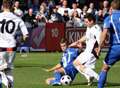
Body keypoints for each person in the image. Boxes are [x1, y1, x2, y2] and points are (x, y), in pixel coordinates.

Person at [0, 0, 28, 88]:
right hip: (12, 48)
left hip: (1, 47)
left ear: (3, 7)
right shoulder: (17, 18)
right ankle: (10, 86)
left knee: (1, 69)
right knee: (9, 70)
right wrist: (22, 40)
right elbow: (26, 35)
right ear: (11, 7)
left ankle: (4, 80)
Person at [69, 13, 101, 85]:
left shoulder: (97, 29)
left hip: (92, 52)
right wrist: (78, 41)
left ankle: (99, 78)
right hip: (87, 51)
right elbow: (86, 36)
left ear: (91, 21)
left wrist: (99, 49)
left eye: (86, 22)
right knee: (76, 64)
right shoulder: (89, 27)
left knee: (80, 66)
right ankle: (89, 77)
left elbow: (100, 41)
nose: (85, 23)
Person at [97, 0, 120, 88]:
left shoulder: (109, 18)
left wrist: (99, 47)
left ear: (111, 7)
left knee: (105, 68)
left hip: (116, 47)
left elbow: (104, 33)